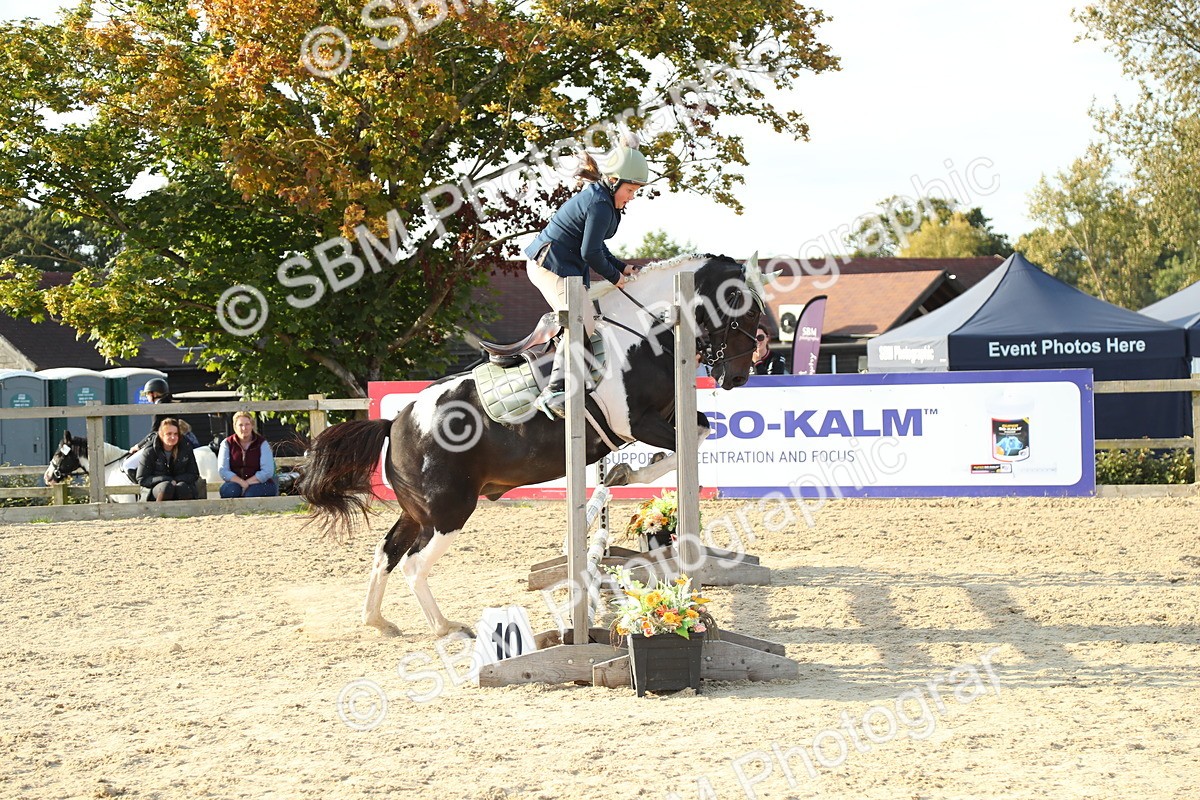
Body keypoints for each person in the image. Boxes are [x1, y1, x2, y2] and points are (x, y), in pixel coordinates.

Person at [523, 144, 649, 418]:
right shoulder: (600, 204)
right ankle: (553, 391)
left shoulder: (603, 200)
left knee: (587, 322)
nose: (632, 197)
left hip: (564, 267)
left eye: (636, 192)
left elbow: (597, 247)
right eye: (630, 191)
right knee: (582, 322)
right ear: (614, 181)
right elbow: (590, 253)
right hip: (549, 266)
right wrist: (615, 278)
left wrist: (622, 267)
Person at [136, 418, 202, 501]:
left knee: (182, 487)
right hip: (156, 488)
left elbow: (194, 474)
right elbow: (142, 479)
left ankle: (187, 513)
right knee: (167, 487)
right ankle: (160, 512)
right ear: (161, 435)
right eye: (169, 434)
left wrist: (176, 480)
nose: (173, 437)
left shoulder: (186, 449)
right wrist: (166, 479)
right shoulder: (150, 451)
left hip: (181, 483)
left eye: (176, 434)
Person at [217, 411, 279, 498]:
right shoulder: (227, 443)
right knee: (229, 491)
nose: (244, 428)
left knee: (251, 495)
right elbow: (223, 470)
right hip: (235, 482)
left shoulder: (262, 443)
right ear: (235, 427)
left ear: (252, 425)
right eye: (240, 425)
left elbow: (268, 471)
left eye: (247, 424)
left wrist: (247, 483)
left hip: (261, 483)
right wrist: (241, 482)